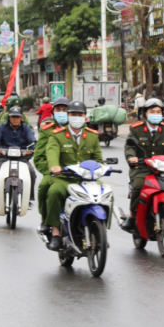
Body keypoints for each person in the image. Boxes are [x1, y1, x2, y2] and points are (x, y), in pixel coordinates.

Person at [121, 98, 164, 233]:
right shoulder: (137, 129)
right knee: (139, 186)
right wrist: (132, 158)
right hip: (141, 167)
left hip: (162, 167)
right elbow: (129, 146)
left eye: (158, 112)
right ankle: (132, 216)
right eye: (152, 111)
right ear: (145, 113)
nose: (155, 114)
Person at [43, 100, 103, 251]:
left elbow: (98, 159)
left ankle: (101, 232)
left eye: (80, 114)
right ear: (68, 116)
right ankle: (56, 232)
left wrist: (102, 168)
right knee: (54, 192)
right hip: (64, 178)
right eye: (73, 114)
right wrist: (54, 166)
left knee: (107, 194)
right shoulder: (57, 135)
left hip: (86, 180)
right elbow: (52, 152)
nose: (77, 117)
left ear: (85, 116)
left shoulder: (92, 136)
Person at [0, 105, 37, 208]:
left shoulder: (26, 128)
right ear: (9, 117)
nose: (15, 119)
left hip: (22, 157)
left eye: (17, 117)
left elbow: (32, 139)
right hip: (4, 157)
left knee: (32, 172)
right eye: (13, 117)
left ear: (21, 118)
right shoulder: (2, 127)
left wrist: (34, 147)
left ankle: (28, 199)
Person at [34, 97, 70, 232]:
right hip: (53, 172)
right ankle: (46, 219)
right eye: (58, 110)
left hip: (75, 172)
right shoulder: (47, 130)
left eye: (65, 110)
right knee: (44, 187)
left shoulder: (77, 129)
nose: (62, 112)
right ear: (53, 111)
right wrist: (50, 170)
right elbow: (39, 157)